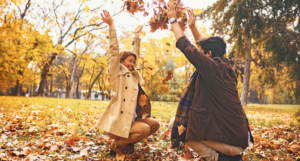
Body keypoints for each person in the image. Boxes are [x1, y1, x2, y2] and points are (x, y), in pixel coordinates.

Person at [166, 4, 253, 161]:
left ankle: (220, 159)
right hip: (239, 138)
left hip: (231, 142)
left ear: (209, 54)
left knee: (178, 127)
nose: (199, 57)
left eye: (202, 54)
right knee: (182, 124)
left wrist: (173, 20)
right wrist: (193, 28)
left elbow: (186, 46)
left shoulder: (212, 68)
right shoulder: (225, 69)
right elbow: (203, 49)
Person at [95, 10, 160, 155]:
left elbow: (134, 54)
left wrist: (136, 37)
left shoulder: (134, 76)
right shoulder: (117, 73)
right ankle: (118, 144)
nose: (132, 64)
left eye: (134, 62)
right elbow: (113, 51)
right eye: (129, 61)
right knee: (145, 129)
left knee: (155, 125)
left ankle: (126, 144)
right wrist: (111, 25)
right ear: (121, 61)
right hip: (118, 123)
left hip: (132, 119)